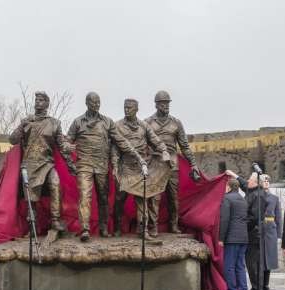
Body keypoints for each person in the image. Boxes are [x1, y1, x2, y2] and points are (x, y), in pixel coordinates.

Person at [67, 92, 143, 241]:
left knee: (103, 197)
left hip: (102, 165)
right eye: (94, 102)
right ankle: (85, 229)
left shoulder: (107, 122)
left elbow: (121, 141)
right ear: (87, 103)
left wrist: (137, 155)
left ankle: (103, 227)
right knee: (85, 196)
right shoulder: (78, 122)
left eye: (98, 102)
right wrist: (67, 148)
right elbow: (67, 141)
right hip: (84, 164)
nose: (96, 105)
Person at [9, 91, 77, 232]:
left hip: (47, 164)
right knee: (31, 198)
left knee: (55, 184)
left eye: (41, 100)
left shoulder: (54, 123)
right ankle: (31, 226)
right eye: (36, 100)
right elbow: (12, 140)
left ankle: (55, 220)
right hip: (30, 164)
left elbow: (61, 145)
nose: (37, 102)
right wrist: (22, 126)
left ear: (47, 103)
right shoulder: (27, 122)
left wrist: (69, 150)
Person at [111, 99, 171, 238]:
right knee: (120, 200)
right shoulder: (117, 126)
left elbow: (155, 140)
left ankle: (142, 230)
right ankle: (117, 226)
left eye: (130, 108)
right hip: (125, 167)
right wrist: (115, 166)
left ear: (136, 109)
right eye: (125, 107)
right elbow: (115, 149)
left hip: (141, 167)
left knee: (142, 199)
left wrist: (163, 150)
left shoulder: (144, 126)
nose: (127, 110)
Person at [145, 90, 201, 234]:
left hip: (172, 165)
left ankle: (173, 225)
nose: (166, 106)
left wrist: (193, 164)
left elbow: (184, 146)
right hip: (156, 164)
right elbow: (141, 145)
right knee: (154, 197)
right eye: (163, 103)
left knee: (173, 198)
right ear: (157, 105)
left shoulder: (176, 123)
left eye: (167, 103)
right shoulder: (148, 123)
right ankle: (153, 226)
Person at [225, 169, 263, 290]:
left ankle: (256, 288)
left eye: (250, 180)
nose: (247, 181)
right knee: (242, 264)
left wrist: (241, 225)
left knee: (250, 263)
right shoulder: (251, 192)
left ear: (257, 183)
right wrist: (233, 174)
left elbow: (254, 218)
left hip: (251, 234)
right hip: (245, 234)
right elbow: (243, 184)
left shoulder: (258, 196)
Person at [218, 179, 249, 290]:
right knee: (240, 265)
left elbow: (224, 219)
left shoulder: (227, 199)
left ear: (229, 187)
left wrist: (221, 238)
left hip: (232, 238)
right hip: (243, 237)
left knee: (229, 265)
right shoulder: (243, 199)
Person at [256, 175, 282, 290]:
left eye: (268, 181)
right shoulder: (257, 196)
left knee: (270, 258)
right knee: (260, 258)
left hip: (271, 228)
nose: (266, 183)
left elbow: (278, 216)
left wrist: (279, 234)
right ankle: (258, 285)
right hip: (259, 227)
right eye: (264, 181)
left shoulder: (275, 198)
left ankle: (266, 285)